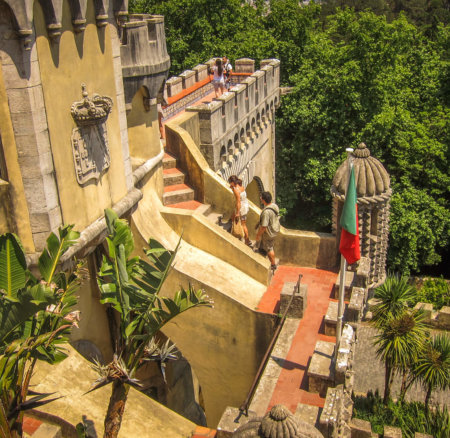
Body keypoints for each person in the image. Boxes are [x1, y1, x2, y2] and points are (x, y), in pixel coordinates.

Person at [255, 191, 280, 271]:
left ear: (264, 200)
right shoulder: (274, 206)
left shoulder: (266, 212)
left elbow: (264, 226)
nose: (260, 198)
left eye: (261, 197)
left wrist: (258, 235)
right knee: (267, 245)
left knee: (269, 248)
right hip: (275, 229)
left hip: (269, 233)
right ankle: (262, 250)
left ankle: (273, 265)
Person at [228, 175, 252, 246]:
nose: (229, 184)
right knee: (233, 217)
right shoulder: (241, 186)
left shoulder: (236, 189)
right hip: (245, 205)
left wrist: (238, 213)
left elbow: (238, 201)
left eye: (230, 182)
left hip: (241, 207)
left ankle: (247, 240)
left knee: (243, 224)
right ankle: (232, 228)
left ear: (232, 182)